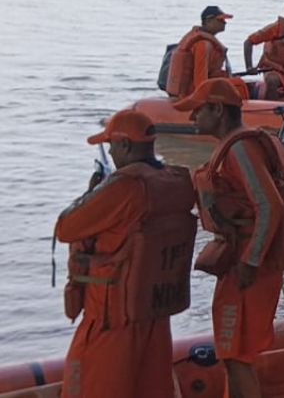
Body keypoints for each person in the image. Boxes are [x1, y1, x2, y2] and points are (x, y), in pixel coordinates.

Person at [55, 109, 195, 398]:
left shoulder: (126, 187)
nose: (111, 152)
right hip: (154, 312)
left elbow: (66, 228)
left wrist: (92, 193)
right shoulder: (176, 181)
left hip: (111, 319)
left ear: (125, 146)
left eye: (111, 146)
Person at [175, 78, 284, 398]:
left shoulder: (241, 149)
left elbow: (270, 205)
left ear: (217, 109)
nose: (192, 119)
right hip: (240, 258)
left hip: (249, 264)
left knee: (236, 355)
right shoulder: (236, 146)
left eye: (198, 111)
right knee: (233, 352)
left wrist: (250, 261)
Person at [166, 5, 233, 98]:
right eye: (221, 20)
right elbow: (200, 82)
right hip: (191, 94)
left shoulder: (199, 37)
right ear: (209, 21)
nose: (225, 23)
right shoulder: (203, 45)